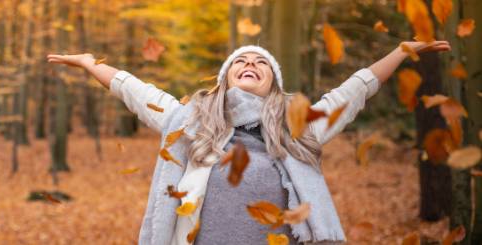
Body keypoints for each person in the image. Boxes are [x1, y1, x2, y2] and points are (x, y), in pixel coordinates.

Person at [47, 41, 450, 244]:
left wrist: (399, 53)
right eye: (240, 61)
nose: (249, 65)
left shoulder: (298, 123)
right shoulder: (190, 121)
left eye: (260, 62)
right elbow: (137, 91)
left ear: (273, 81)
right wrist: (89, 64)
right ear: (226, 78)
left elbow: (349, 95)